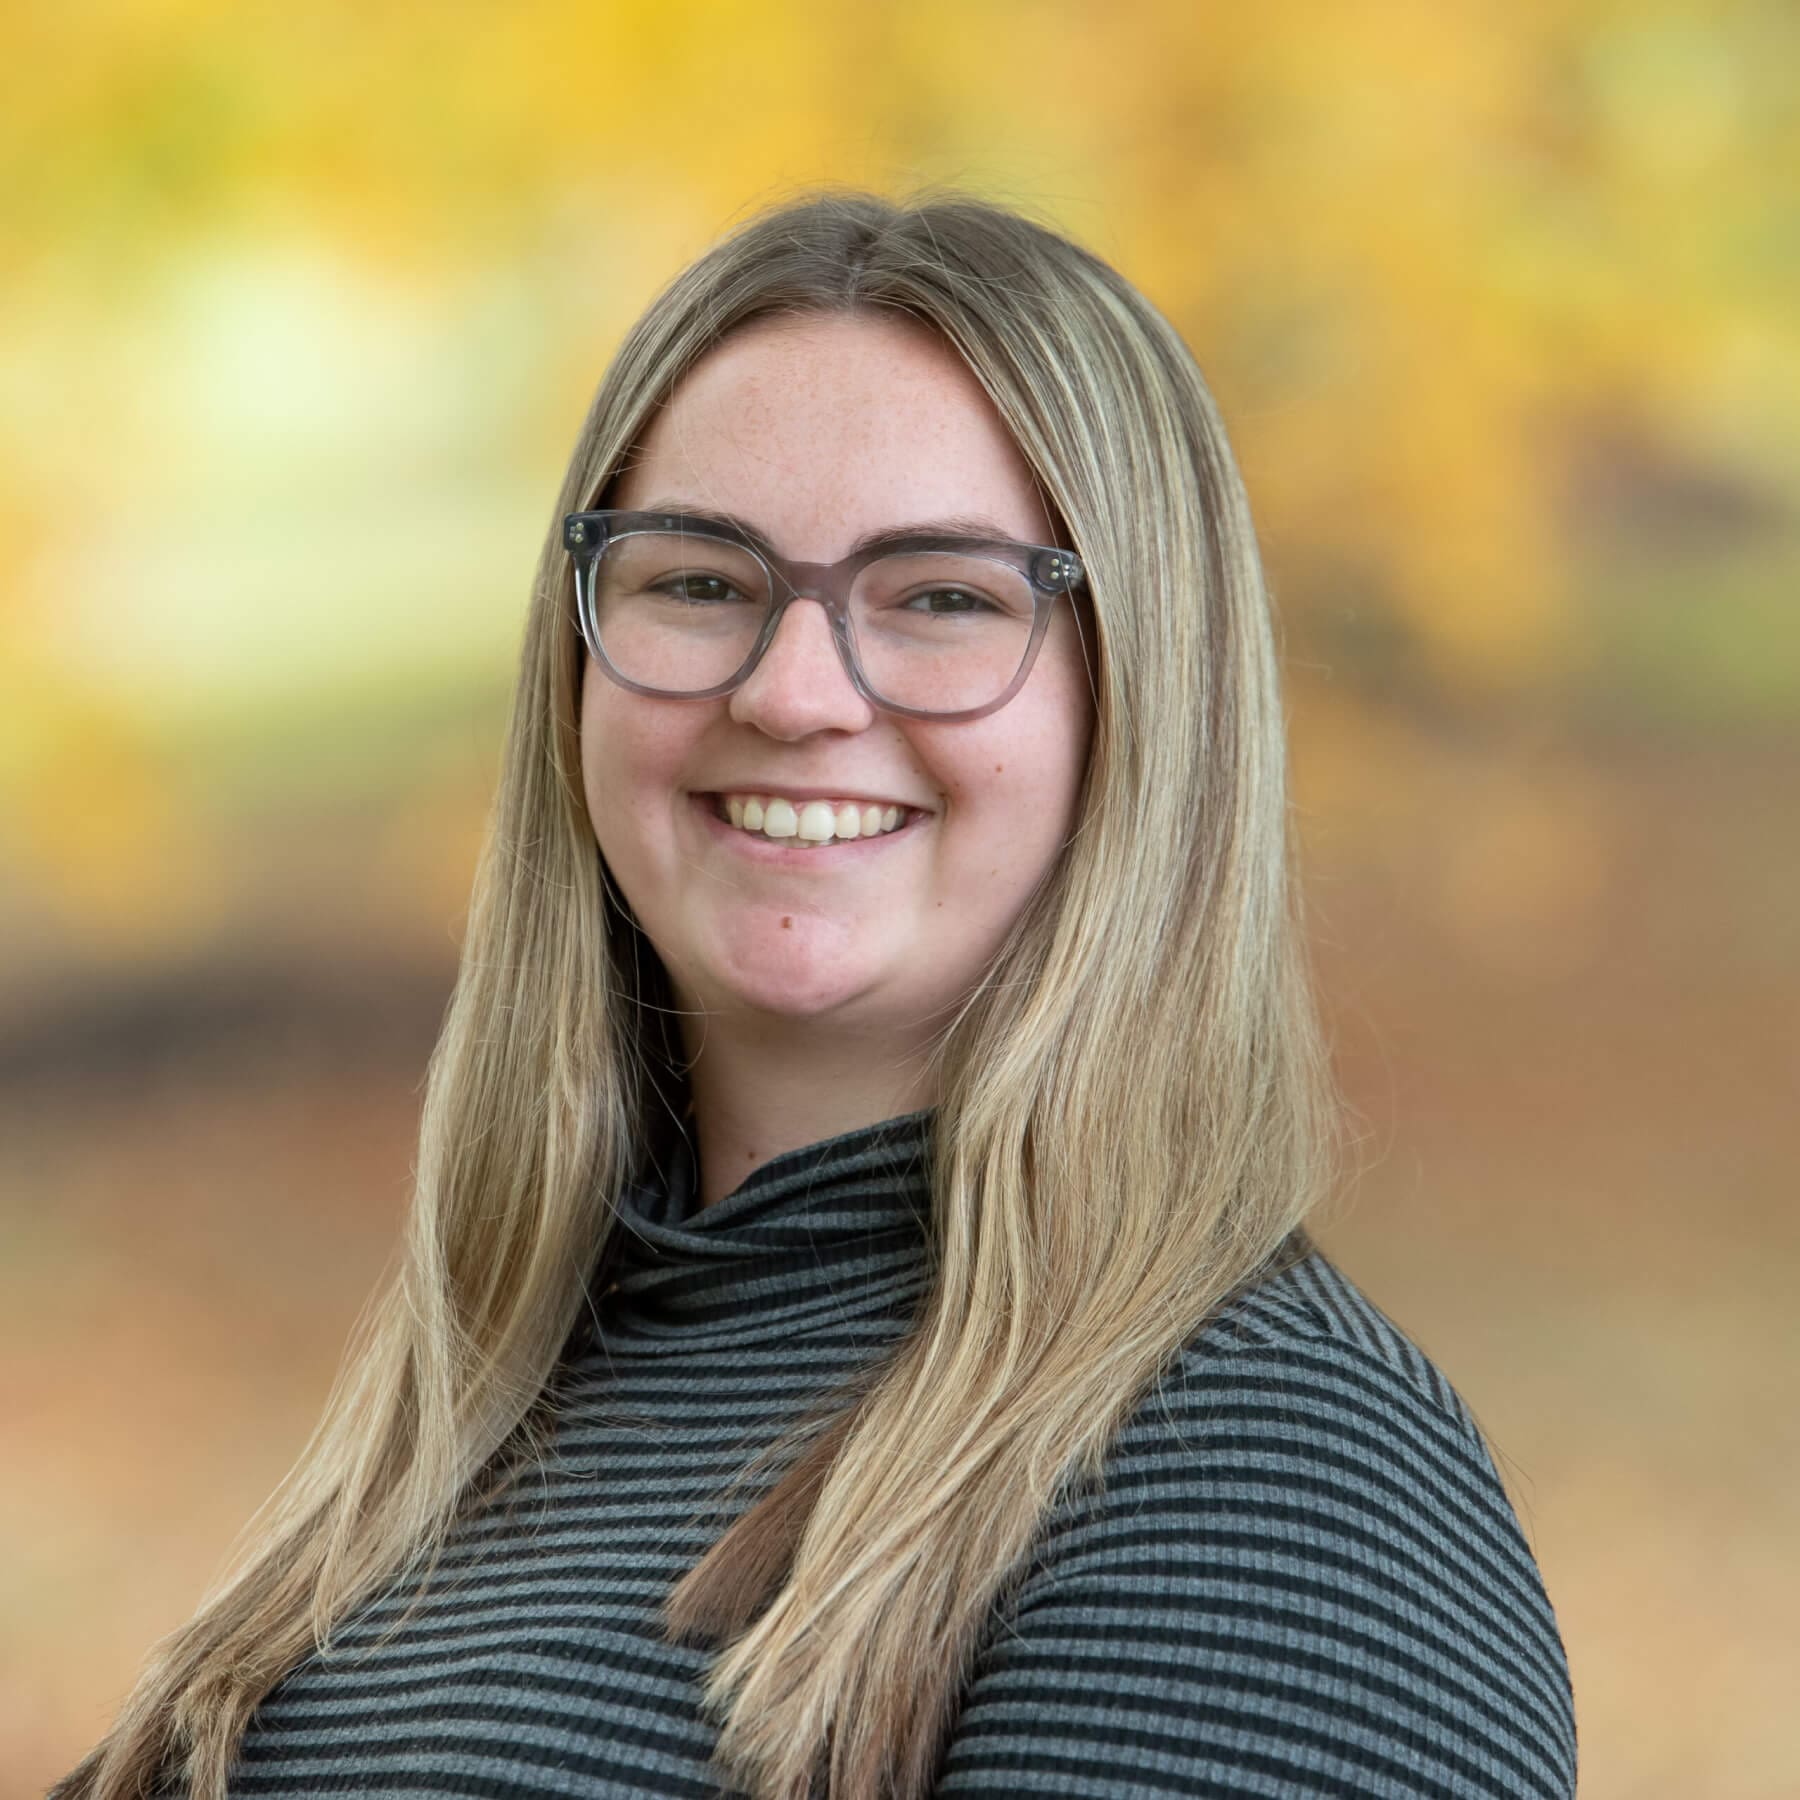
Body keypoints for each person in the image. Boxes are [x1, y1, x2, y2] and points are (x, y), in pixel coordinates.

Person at [56, 191, 1576, 1799]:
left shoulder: (1279, 1497)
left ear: (1147, 698)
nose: (790, 692)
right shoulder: (470, 1435)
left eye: (943, 597)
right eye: (700, 580)